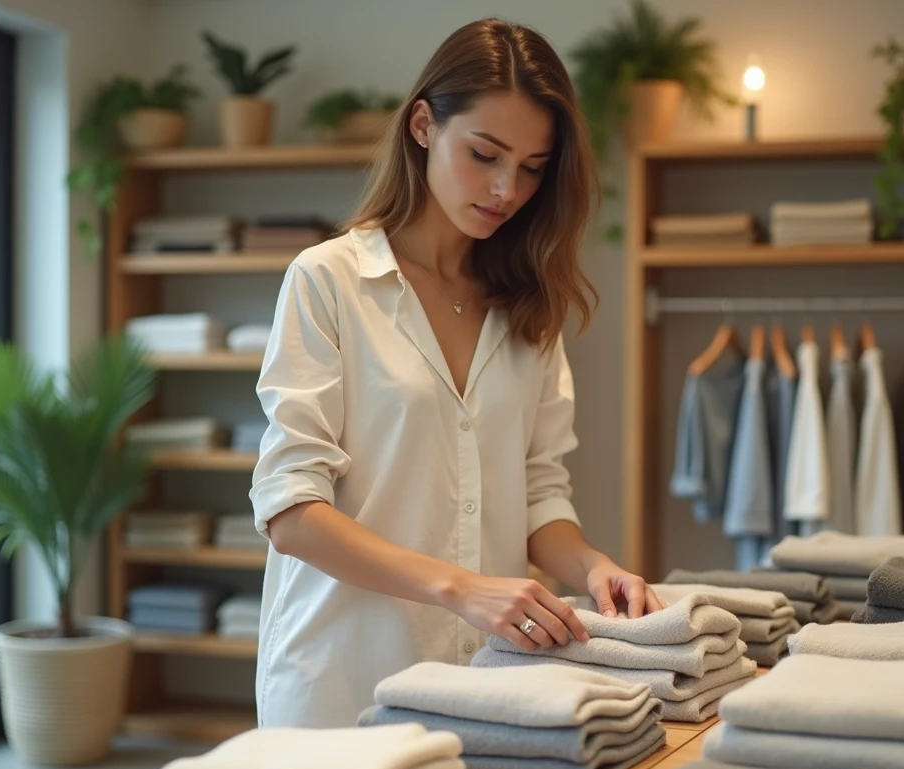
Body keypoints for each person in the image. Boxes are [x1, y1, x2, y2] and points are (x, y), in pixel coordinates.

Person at [249, 16, 663, 729]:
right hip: (343, 682)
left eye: (533, 167)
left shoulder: (529, 307)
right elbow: (291, 515)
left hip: (488, 681)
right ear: (421, 126)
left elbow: (537, 493)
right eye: (485, 154)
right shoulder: (330, 281)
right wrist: (463, 589)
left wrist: (591, 567)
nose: (507, 187)